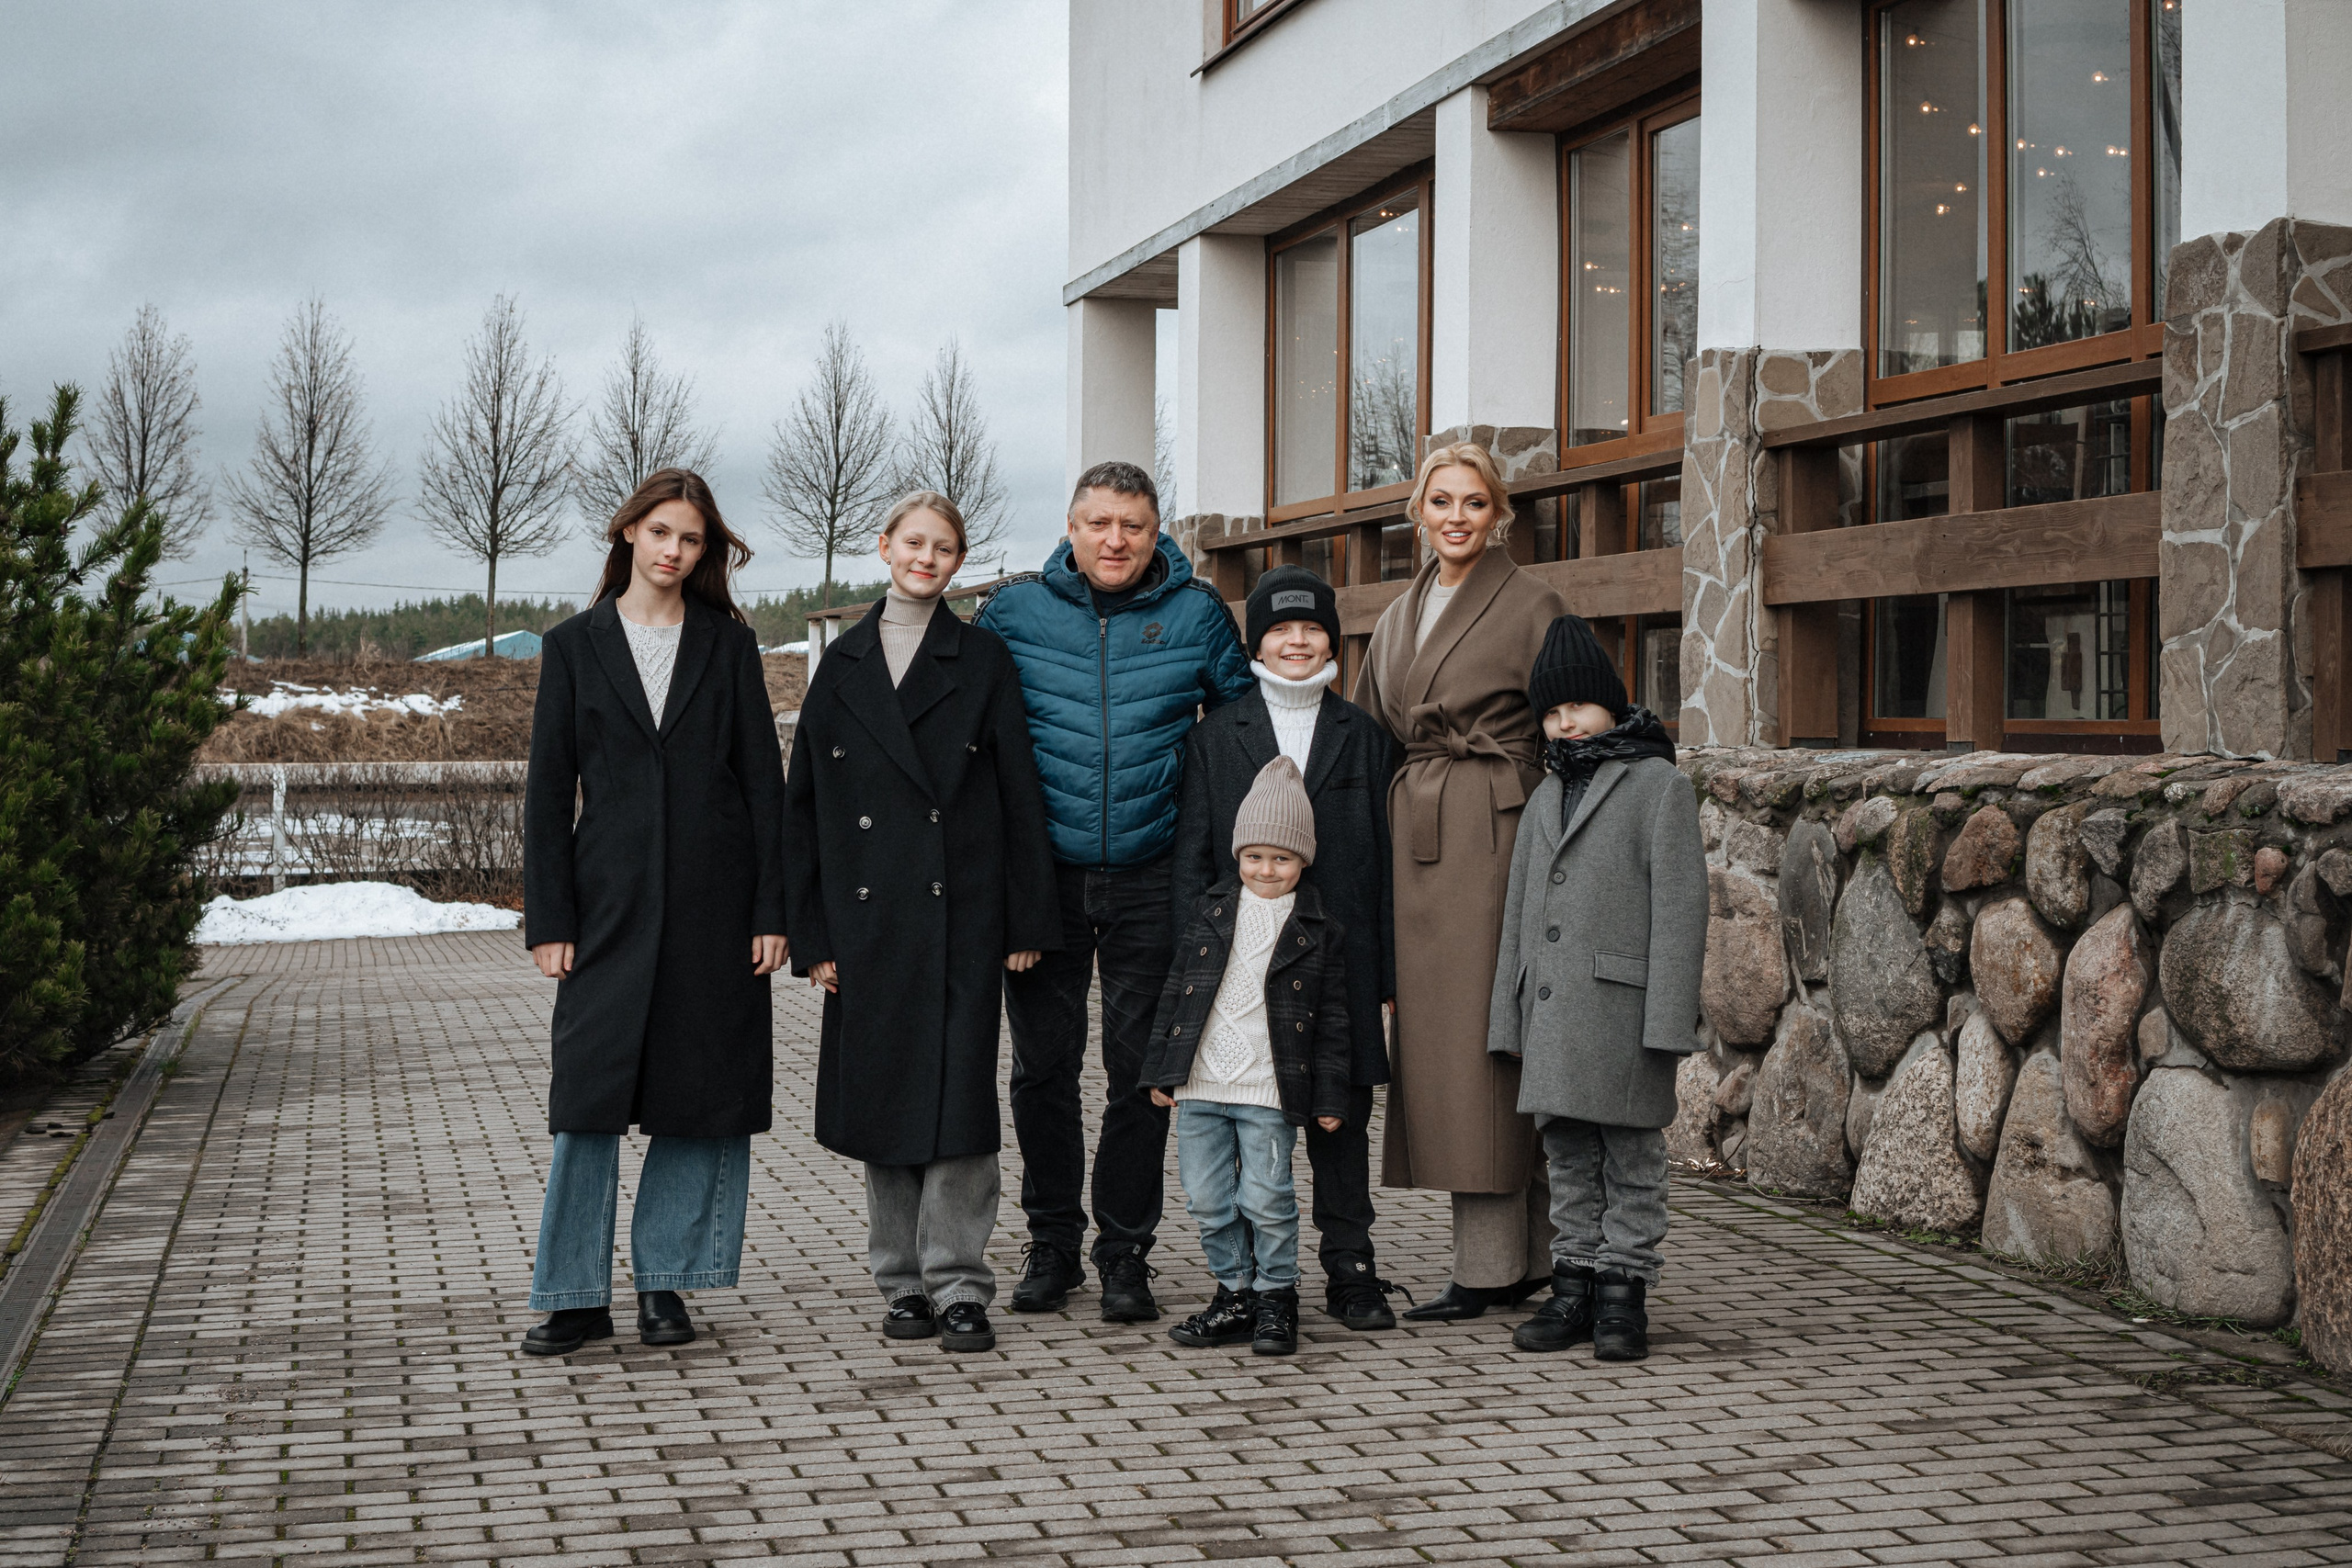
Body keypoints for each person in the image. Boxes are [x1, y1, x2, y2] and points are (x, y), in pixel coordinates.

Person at [975, 460, 1253, 1321]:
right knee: (1042, 1069)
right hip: (1043, 881)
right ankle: (1052, 1241)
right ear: (1070, 528)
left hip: (1153, 874)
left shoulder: (1196, 611)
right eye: (1098, 522)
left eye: (1131, 524)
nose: (1115, 539)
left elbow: (1243, 729)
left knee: (1139, 1071)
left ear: (1155, 530)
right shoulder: (1013, 611)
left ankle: (1124, 1250)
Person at [785, 491, 1060, 1355]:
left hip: (962, 915)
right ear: (884, 546)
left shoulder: (982, 659)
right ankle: (900, 1280)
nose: (927, 558)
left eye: (944, 547)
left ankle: (961, 1282)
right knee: (885, 1102)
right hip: (867, 925)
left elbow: (1018, 792)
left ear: (958, 561)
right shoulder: (842, 662)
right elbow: (804, 809)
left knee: (960, 1103)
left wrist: (1026, 915)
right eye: (914, 542)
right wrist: (812, 935)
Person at [519, 468, 787, 1355]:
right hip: (606, 908)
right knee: (586, 1099)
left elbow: (764, 786)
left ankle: (666, 1283)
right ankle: (573, 1294)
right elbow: (548, 792)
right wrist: (550, 919)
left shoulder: (729, 645)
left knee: (699, 1095)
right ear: (630, 530)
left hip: (717, 908)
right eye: (662, 531)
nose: (675, 550)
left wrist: (772, 908)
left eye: (692, 539)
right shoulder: (572, 645)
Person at [1353, 442, 1569, 1322]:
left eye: (1474, 503)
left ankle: (1493, 1266)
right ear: (1418, 512)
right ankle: (1532, 1255)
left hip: (1497, 832)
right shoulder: (1398, 615)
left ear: (1499, 514)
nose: (1456, 517)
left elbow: (1575, 720)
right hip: (1418, 839)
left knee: (1489, 1045)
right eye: (1440, 501)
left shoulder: (1534, 603)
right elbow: (1371, 734)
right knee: (1442, 1047)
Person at [1170, 565, 1402, 1331]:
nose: (1296, 641)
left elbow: (1387, 863)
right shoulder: (1215, 735)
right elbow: (1194, 859)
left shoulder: (1364, 737)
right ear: (1257, 643)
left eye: (1311, 629)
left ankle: (1351, 1268)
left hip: (1342, 962)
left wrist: (1388, 970)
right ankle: (1251, 1283)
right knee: (1242, 1129)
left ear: (1332, 641)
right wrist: (1192, 966)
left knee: (1340, 1118)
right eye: (1279, 629)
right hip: (1244, 963)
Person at [1488, 615, 1706, 1360]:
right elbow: (1519, 913)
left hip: (1624, 1012)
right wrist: (1509, 1014)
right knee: (1568, 1158)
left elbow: (1681, 912)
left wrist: (1668, 1023)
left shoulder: (1659, 786)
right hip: (1553, 1012)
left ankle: (1624, 1291)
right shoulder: (1545, 794)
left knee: (1633, 1160)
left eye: (1577, 705)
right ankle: (1573, 1284)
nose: (1566, 722)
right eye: (1552, 712)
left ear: (1611, 703)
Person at [1142, 756, 1352, 1357]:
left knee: (1266, 1198)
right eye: (1254, 856)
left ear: (1303, 860)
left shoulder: (1318, 928)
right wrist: (1161, 1070)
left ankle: (1276, 1297)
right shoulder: (1209, 913)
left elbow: (1333, 1022)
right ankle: (1235, 1293)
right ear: (1237, 855)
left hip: (1267, 1090)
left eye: (1281, 858)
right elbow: (1175, 995)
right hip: (1201, 1085)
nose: (1266, 869)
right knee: (1207, 1199)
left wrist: (1330, 1095)